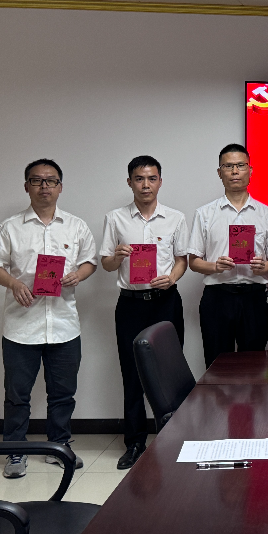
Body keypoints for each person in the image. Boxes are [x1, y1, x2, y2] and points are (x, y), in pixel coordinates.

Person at [0, 159, 97, 479]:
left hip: (64, 325)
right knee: (17, 395)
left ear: (61, 187)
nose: (44, 186)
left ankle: (58, 447)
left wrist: (78, 275)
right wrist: (14, 284)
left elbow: (90, 262)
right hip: (21, 326)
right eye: (37, 180)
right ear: (26, 187)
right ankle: (14, 451)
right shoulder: (10, 227)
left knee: (62, 394)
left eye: (51, 181)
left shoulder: (76, 226)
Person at [100, 155, 188, 469]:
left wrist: (172, 277)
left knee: (170, 372)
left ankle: (173, 438)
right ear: (130, 182)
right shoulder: (115, 218)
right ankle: (135, 442)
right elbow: (106, 263)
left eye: (151, 178)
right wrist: (117, 256)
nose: (146, 185)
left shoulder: (175, 218)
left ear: (160, 181)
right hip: (130, 305)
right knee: (132, 373)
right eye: (139, 179)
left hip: (166, 301)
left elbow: (182, 260)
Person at [187, 144, 268, 367]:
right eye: (228, 166)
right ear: (219, 172)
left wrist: (263, 266)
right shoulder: (204, 214)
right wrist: (215, 266)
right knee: (216, 365)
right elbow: (193, 261)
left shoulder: (267, 214)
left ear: (250, 170)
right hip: (217, 298)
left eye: (240, 165)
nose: (235, 171)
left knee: (255, 365)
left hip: (254, 298)